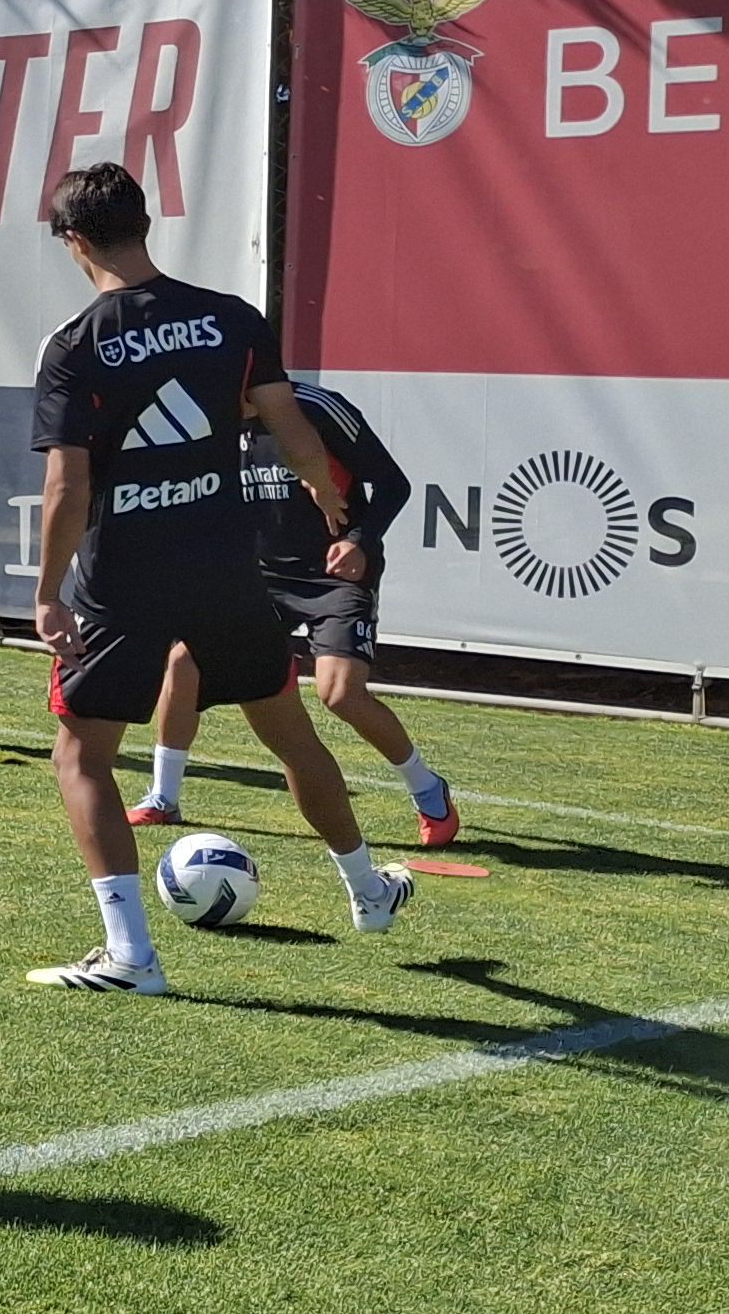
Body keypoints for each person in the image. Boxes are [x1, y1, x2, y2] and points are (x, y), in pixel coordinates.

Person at [25, 162, 412, 996]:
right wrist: (325, 500)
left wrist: (46, 591)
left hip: (125, 577)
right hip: (226, 566)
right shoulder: (229, 318)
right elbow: (293, 427)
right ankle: (368, 890)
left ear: (75, 241)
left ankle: (131, 957)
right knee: (290, 733)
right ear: (145, 226)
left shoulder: (74, 344)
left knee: (82, 756)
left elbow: (68, 487)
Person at [134, 380, 462, 847]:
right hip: (258, 574)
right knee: (183, 662)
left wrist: (359, 540)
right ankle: (163, 798)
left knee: (341, 694)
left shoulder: (314, 407)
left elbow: (393, 483)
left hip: (334, 572)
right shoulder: (203, 416)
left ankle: (428, 788)